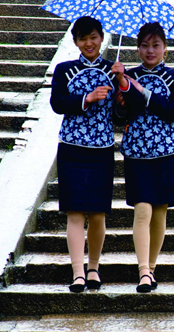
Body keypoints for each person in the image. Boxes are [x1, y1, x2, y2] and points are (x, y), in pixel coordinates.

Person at [111, 22, 174, 293]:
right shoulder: (125, 75)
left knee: (159, 212)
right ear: (137, 48)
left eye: (155, 45)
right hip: (137, 152)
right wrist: (121, 96)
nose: (150, 50)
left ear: (165, 48)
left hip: (167, 152)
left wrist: (140, 91)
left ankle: (151, 269)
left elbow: (172, 112)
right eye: (144, 45)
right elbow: (118, 117)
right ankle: (143, 271)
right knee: (142, 209)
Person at [50, 16, 122, 292]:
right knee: (75, 213)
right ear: (75, 41)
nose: (89, 43)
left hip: (102, 150)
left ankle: (94, 268)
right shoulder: (64, 70)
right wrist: (87, 98)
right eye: (83, 38)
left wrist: (121, 86)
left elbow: (121, 115)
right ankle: (78, 272)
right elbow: (58, 103)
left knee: (99, 214)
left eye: (93, 37)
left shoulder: (112, 71)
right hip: (71, 148)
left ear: (102, 37)